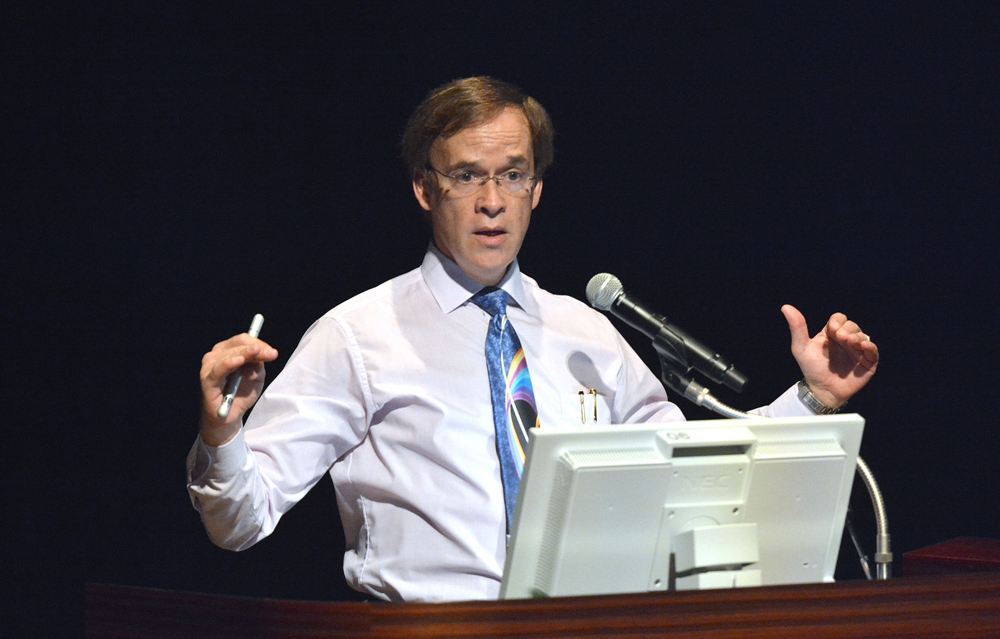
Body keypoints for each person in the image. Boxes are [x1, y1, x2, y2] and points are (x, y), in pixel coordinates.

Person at [188, 76, 879, 603]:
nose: (493, 200)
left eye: (513, 175)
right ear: (425, 189)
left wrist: (812, 399)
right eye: (467, 175)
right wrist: (222, 435)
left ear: (537, 189)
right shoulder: (357, 336)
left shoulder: (588, 333)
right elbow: (239, 520)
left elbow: (695, 480)